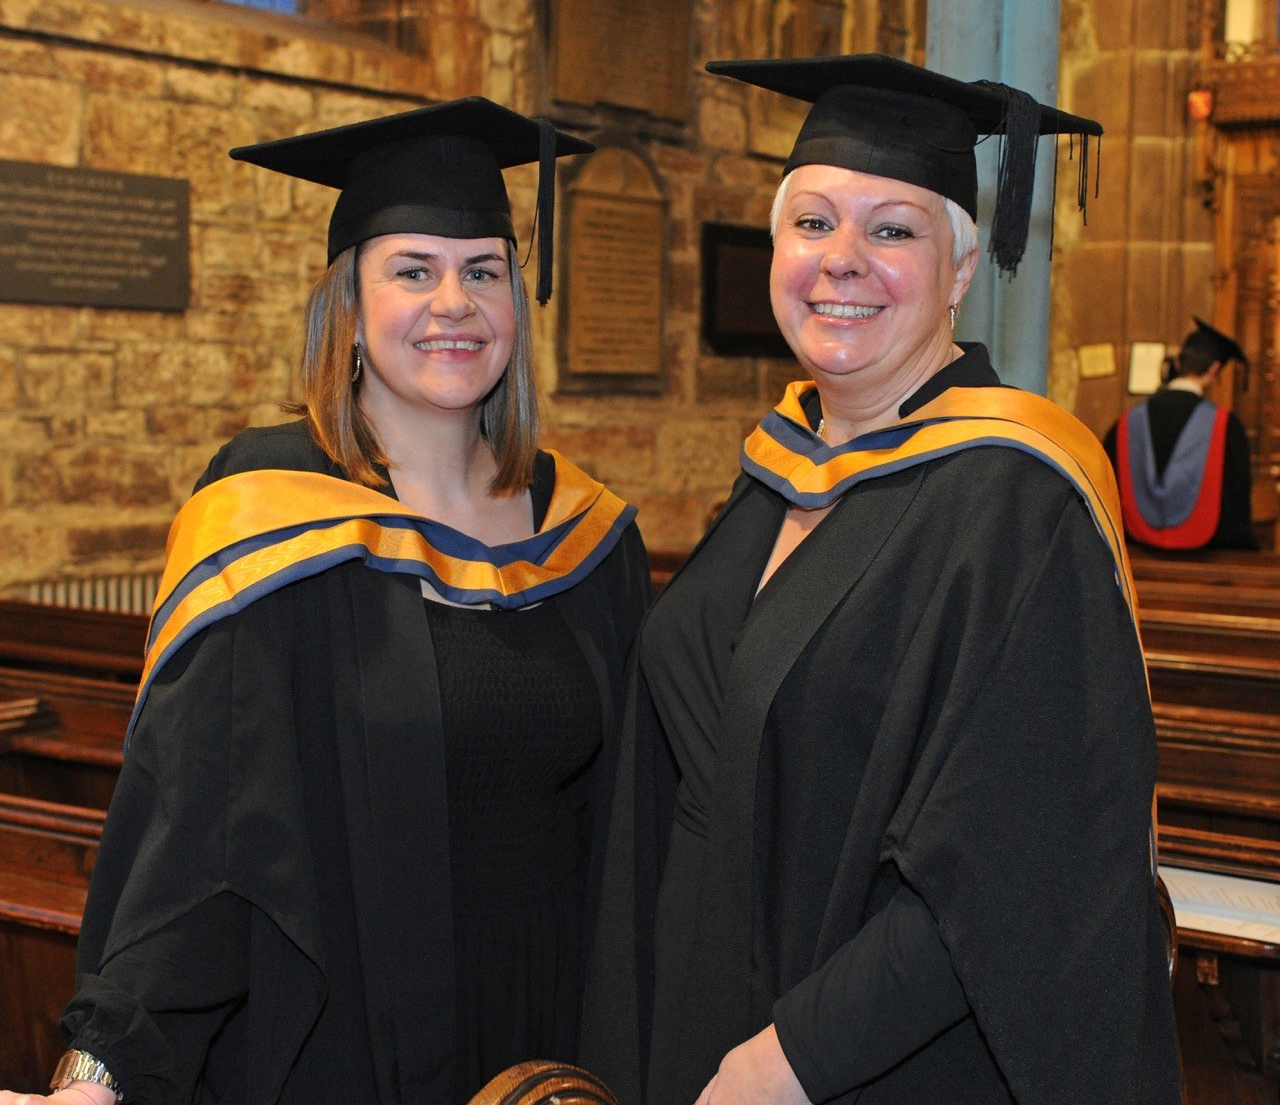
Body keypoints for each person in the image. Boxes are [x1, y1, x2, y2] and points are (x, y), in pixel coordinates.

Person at [1, 98, 650, 1105]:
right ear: (348, 304)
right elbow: (199, 830)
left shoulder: (587, 531)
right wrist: (100, 1073)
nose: (453, 301)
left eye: (483, 269)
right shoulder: (266, 510)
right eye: (412, 270)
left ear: (516, 303)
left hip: (554, 1040)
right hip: (346, 1037)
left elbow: (637, 818)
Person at [582, 55, 1180, 1104]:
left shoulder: (1015, 503)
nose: (839, 260)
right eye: (810, 223)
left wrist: (785, 1061)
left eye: (891, 230)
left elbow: (1010, 858)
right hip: (701, 1028)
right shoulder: (774, 475)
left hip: (859, 1067)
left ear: (957, 270)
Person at [1105, 318, 1257, 550]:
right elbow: (1236, 501)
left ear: (1177, 362)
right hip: (1207, 556)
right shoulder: (1226, 426)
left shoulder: (1127, 422)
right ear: (1215, 369)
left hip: (1135, 553)